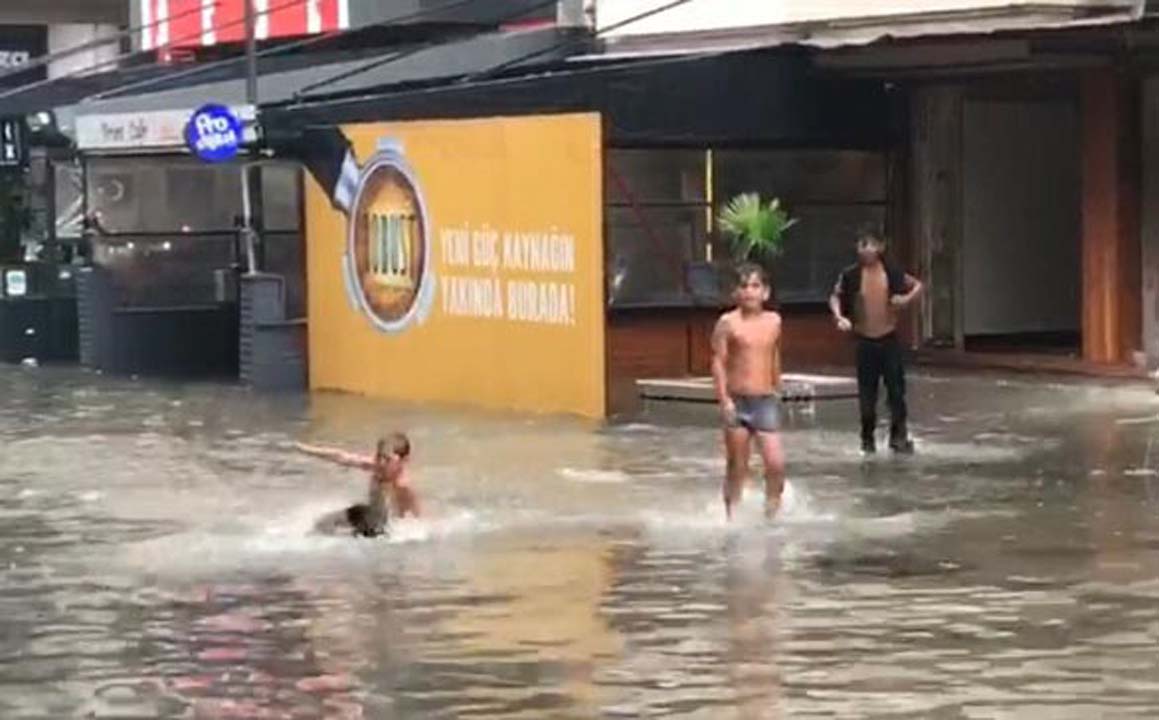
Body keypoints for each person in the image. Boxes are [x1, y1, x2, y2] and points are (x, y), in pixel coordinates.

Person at [829, 230, 923, 454]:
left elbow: (918, 285)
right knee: (867, 394)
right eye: (862, 245)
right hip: (865, 341)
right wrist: (839, 316)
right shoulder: (851, 274)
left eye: (870, 244)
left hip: (888, 339)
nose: (866, 249)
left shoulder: (892, 272)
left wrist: (905, 300)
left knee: (896, 392)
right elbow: (835, 296)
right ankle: (867, 438)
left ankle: (898, 436)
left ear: (880, 247)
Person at [710, 263, 786, 520]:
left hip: (765, 400)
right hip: (738, 402)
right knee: (737, 466)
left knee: (776, 463)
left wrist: (777, 385)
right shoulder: (728, 322)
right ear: (735, 293)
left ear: (765, 292)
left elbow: (773, 354)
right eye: (744, 286)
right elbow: (719, 362)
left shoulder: (774, 321)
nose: (750, 292)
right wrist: (724, 400)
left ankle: (772, 513)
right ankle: (731, 516)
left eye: (755, 286)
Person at [295, 432, 420, 537]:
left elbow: (411, 521)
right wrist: (306, 450)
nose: (381, 463)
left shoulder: (402, 485)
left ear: (404, 460)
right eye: (379, 457)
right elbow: (340, 457)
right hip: (368, 515)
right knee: (321, 524)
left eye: (387, 459)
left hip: (381, 528)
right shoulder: (375, 465)